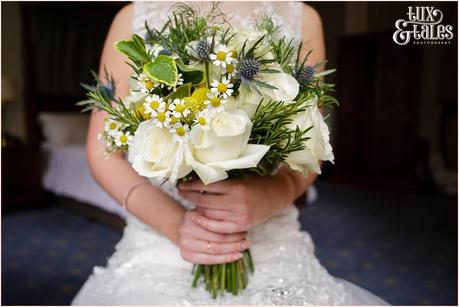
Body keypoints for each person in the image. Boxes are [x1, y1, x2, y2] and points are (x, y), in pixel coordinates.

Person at [73, 2, 388, 305]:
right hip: (159, 241)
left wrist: (277, 191)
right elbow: (103, 150)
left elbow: (312, 141)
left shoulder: (303, 18)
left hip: (269, 241)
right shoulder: (133, 16)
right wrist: (177, 225)